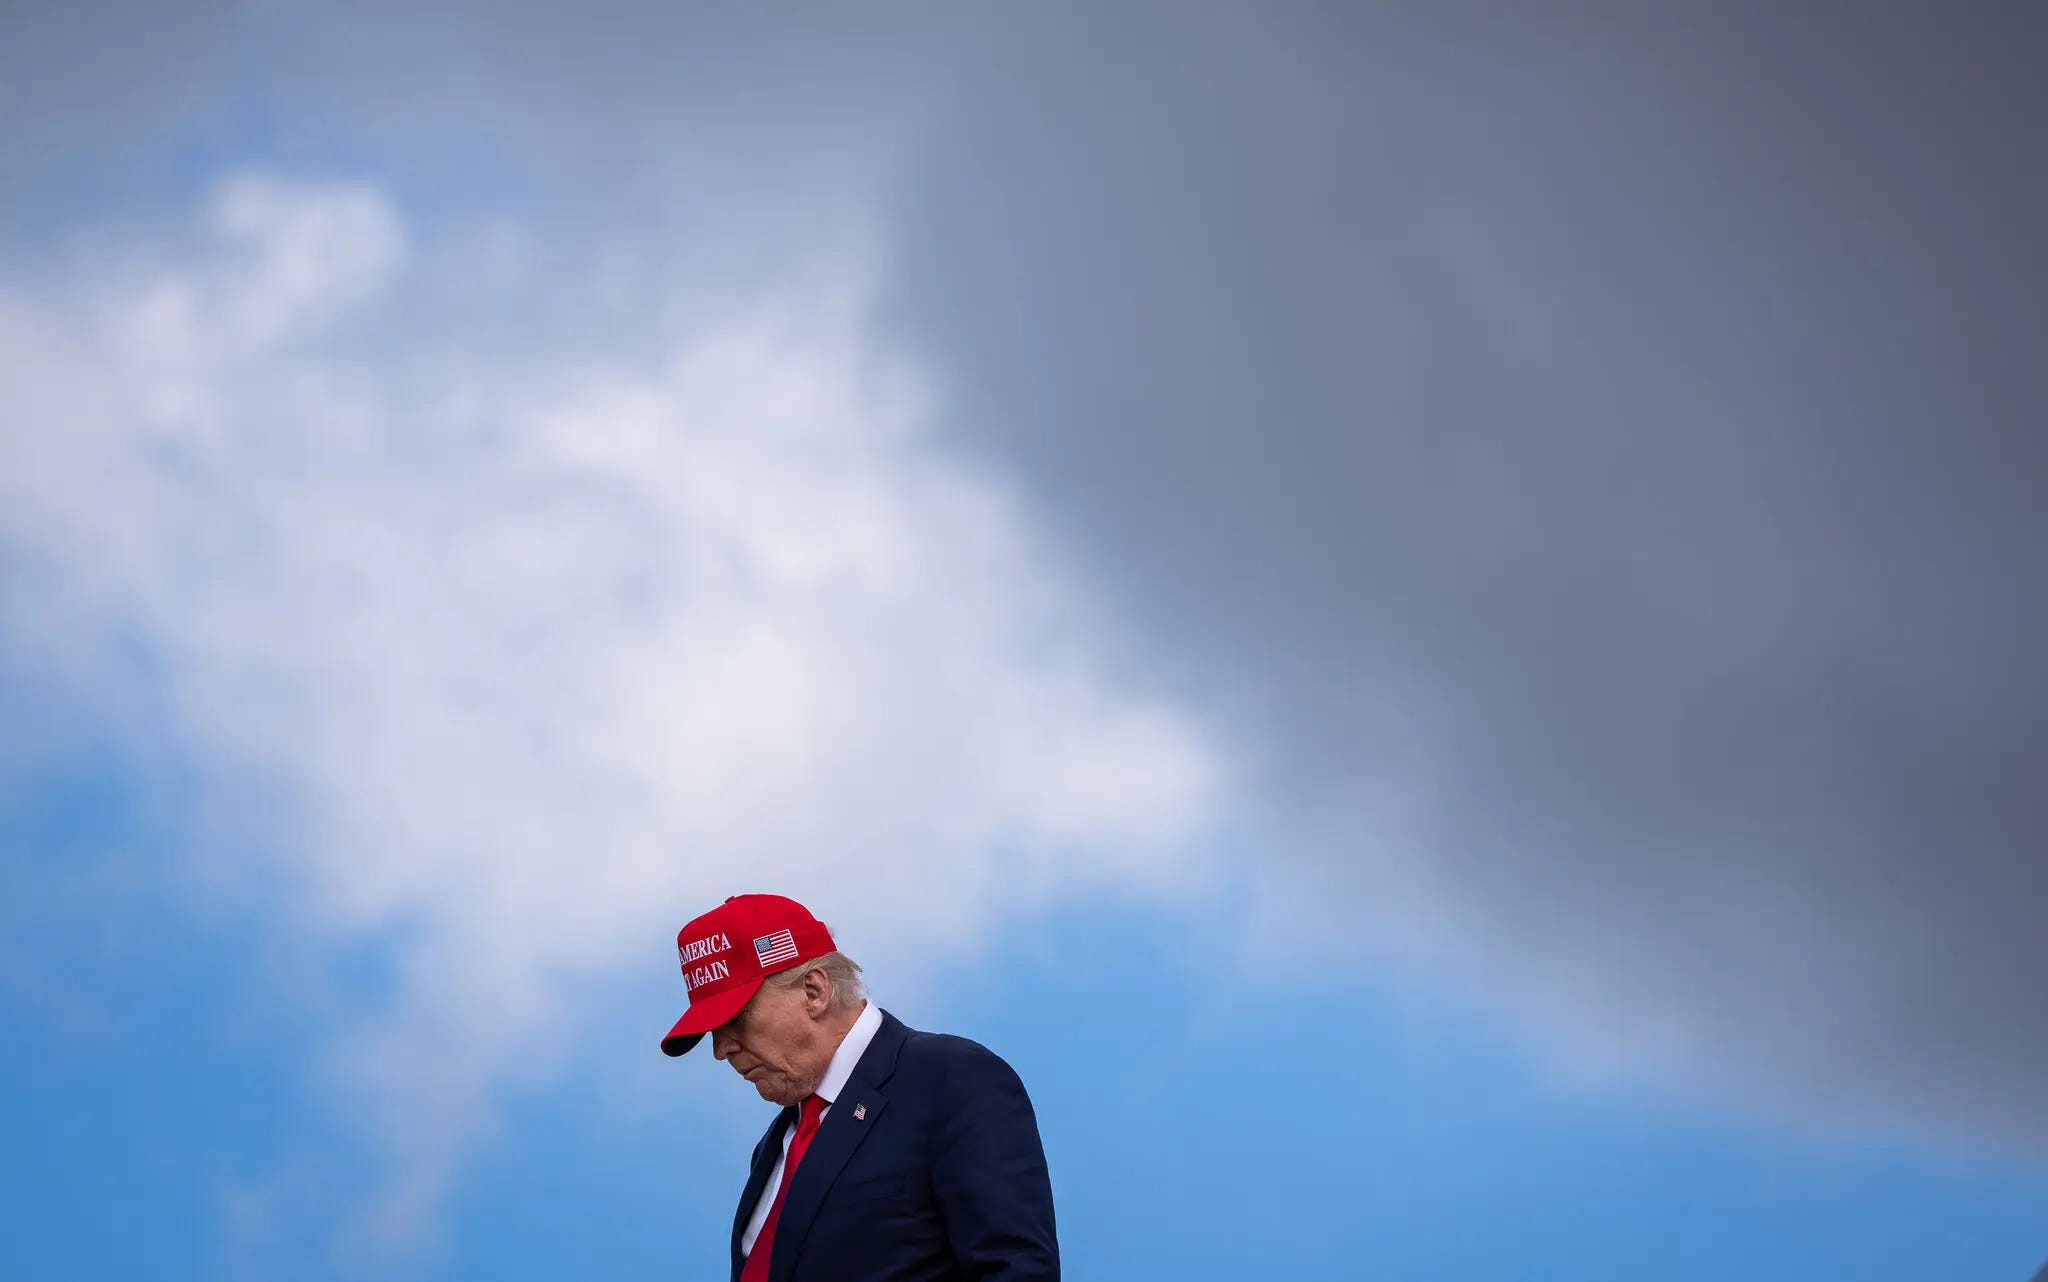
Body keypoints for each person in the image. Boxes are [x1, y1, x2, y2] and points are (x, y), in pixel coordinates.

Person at [662, 893, 1060, 1282]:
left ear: (814, 992)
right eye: (712, 1031)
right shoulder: (777, 1144)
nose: (721, 1049)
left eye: (736, 1017)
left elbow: (1016, 1268)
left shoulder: (953, 1081)